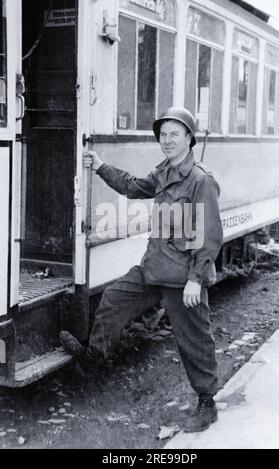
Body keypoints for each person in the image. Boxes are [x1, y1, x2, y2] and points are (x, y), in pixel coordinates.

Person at [60, 107, 223, 432]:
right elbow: (134, 187)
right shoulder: (164, 171)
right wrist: (102, 167)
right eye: (163, 135)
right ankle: (92, 359)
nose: (168, 140)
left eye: (175, 134)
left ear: (189, 138)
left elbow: (209, 235)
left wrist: (195, 279)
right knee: (115, 298)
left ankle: (207, 403)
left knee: (193, 340)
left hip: (183, 277)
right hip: (154, 267)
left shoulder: (201, 181)